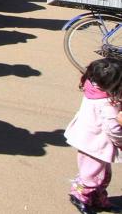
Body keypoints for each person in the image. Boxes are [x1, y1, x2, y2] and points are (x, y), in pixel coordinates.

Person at [64, 58, 122, 214]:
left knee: (98, 172)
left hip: (88, 136)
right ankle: (80, 196)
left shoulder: (93, 87)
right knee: (93, 173)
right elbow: (113, 129)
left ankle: (97, 197)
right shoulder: (108, 104)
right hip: (96, 142)